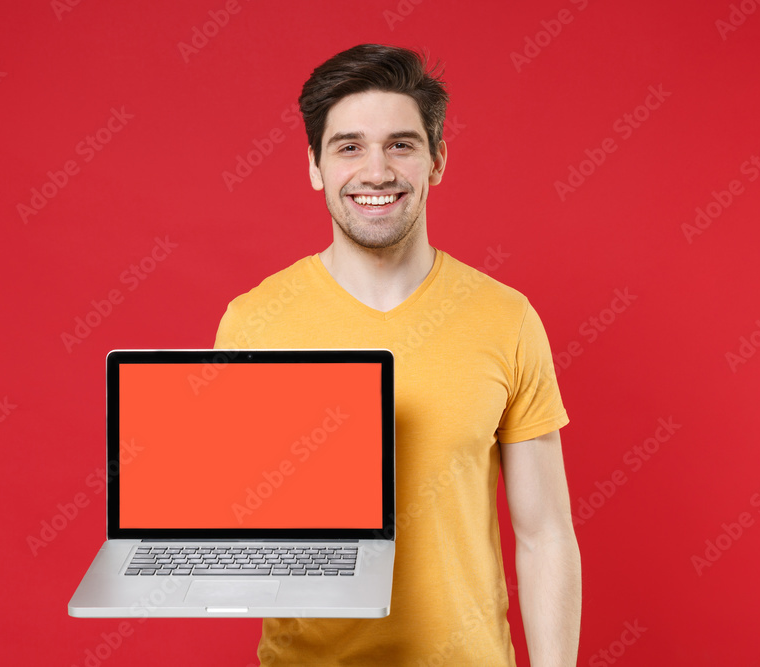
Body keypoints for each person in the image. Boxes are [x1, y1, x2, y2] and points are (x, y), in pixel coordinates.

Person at [214, 43, 581, 667]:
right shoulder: (255, 323)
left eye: (401, 145)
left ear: (437, 161)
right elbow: (233, 523)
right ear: (315, 166)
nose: (376, 171)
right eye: (349, 146)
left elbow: (545, 534)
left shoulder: (506, 318)